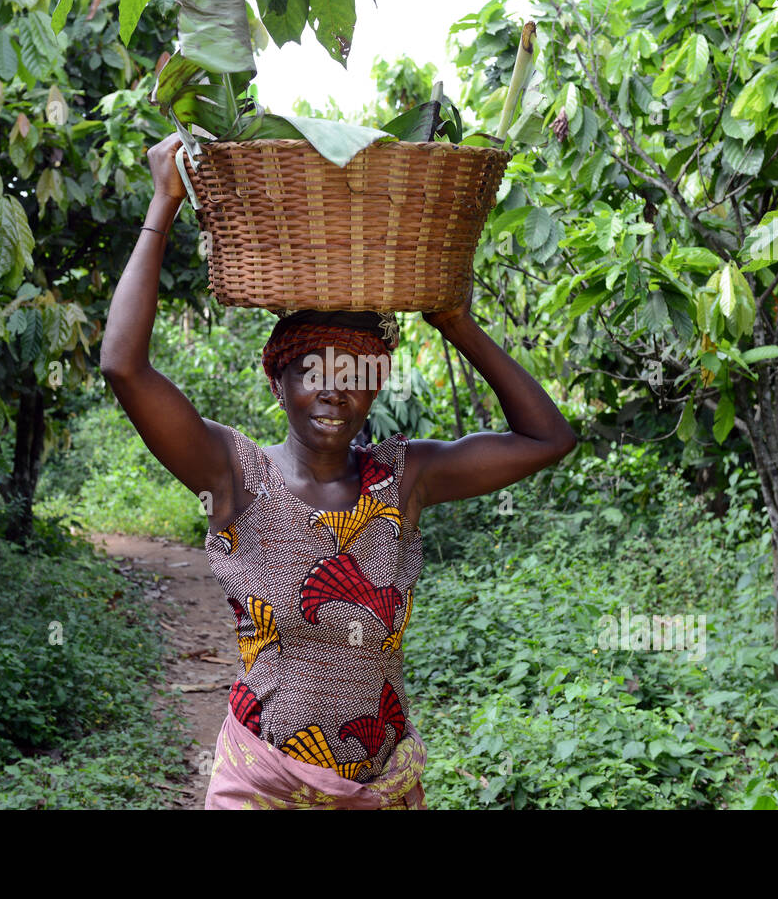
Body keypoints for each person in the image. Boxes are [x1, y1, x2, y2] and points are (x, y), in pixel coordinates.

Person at [100, 134, 577, 809]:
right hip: (264, 785)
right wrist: (163, 204)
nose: (334, 388)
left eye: (355, 370)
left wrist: (456, 320)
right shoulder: (237, 476)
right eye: (312, 368)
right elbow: (124, 367)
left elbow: (548, 436)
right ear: (278, 381)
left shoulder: (405, 478)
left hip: (382, 784)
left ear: (375, 387)